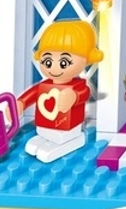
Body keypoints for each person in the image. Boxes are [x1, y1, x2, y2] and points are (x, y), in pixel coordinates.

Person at [17, 20, 102, 163]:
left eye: (64, 62)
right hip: (44, 128)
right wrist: (21, 103)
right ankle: (46, 139)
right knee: (40, 137)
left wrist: (73, 96)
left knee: (58, 139)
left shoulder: (77, 86)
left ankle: (63, 142)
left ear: (86, 59)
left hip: (69, 131)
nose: (54, 68)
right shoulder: (45, 85)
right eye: (48, 61)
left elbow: (84, 93)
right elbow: (32, 93)